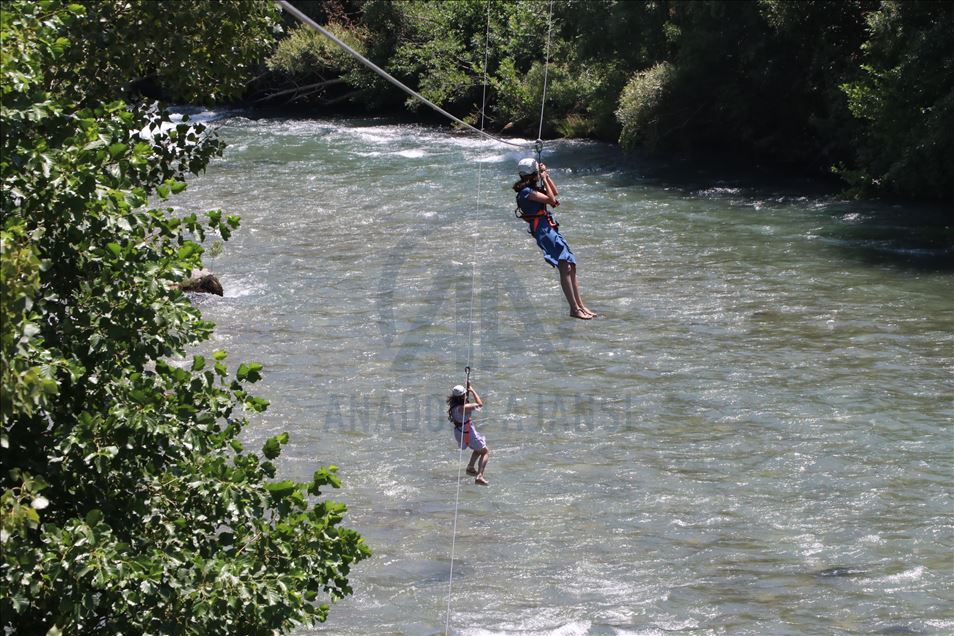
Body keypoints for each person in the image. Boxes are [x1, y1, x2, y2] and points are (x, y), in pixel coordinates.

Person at [513, 157, 596, 319]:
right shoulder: (526, 192)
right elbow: (552, 201)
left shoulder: (532, 190)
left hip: (548, 227)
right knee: (564, 265)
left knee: (571, 264)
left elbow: (554, 193)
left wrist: (547, 177)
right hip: (543, 230)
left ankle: (580, 306)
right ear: (534, 173)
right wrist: (543, 177)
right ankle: (574, 309)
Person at [447, 383, 489, 485]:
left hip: (459, 431)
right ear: (462, 397)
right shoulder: (463, 408)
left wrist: (466, 394)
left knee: (477, 449)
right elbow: (479, 404)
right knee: (485, 451)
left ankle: (470, 467)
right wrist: (472, 390)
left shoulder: (453, 406)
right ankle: (480, 476)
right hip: (467, 432)